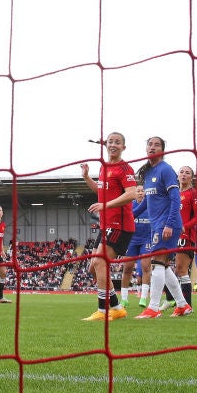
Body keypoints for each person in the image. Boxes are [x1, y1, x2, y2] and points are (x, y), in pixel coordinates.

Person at [79, 132, 137, 321]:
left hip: (120, 225)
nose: (113, 144)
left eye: (117, 142)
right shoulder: (104, 168)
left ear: (123, 147)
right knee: (93, 267)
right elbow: (101, 192)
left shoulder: (124, 168)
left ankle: (103, 311)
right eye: (111, 141)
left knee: (100, 263)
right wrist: (87, 178)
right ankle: (117, 308)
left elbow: (132, 193)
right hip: (107, 225)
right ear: (105, 144)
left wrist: (106, 206)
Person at [134, 136, 192, 319]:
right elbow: (147, 203)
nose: (152, 147)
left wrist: (169, 224)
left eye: (156, 145)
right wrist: (130, 216)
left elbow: (175, 200)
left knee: (156, 263)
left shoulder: (165, 170)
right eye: (149, 144)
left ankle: (153, 308)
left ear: (163, 150)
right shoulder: (149, 172)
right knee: (164, 266)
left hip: (167, 225)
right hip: (157, 225)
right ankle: (182, 305)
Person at [166, 165, 197, 308]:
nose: (184, 175)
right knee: (165, 266)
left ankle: (186, 305)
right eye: (181, 172)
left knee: (181, 269)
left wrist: (184, 226)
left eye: (187, 173)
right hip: (170, 235)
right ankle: (172, 300)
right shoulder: (173, 193)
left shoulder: (193, 193)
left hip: (185, 236)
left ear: (191, 177)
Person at [125, 184, 152, 308]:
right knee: (127, 268)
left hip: (146, 240)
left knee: (146, 267)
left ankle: (143, 298)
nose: (141, 193)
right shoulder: (130, 205)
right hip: (132, 240)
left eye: (142, 191)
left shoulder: (150, 206)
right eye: (138, 191)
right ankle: (124, 299)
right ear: (134, 193)